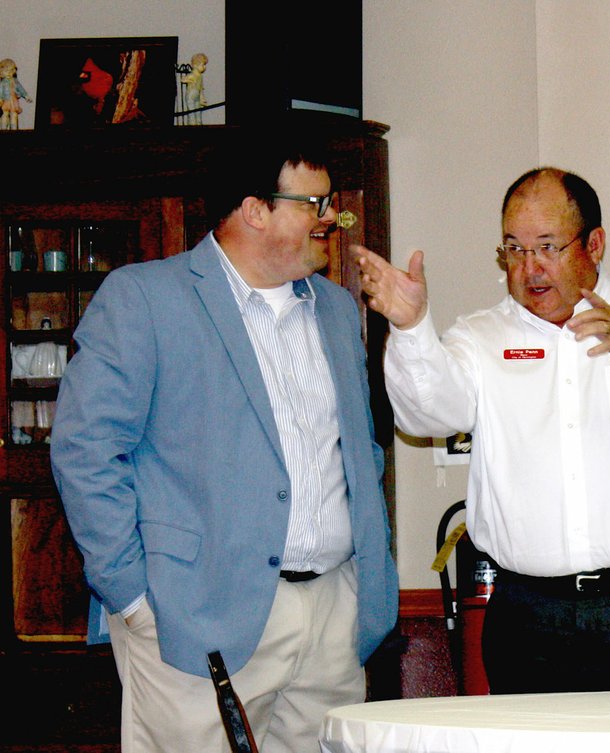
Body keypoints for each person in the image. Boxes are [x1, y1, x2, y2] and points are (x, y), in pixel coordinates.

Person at [50, 122, 399, 753]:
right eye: (313, 204)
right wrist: (133, 598)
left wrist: (360, 586)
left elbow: (358, 451)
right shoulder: (144, 299)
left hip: (331, 618)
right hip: (193, 617)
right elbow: (85, 453)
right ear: (255, 210)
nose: (332, 218)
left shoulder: (338, 310)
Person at [354, 166, 610, 693]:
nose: (530, 268)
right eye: (514, 249)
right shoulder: (481, 336)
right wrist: (410, 330)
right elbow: (426, 415)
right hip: (530, 614)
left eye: (547, 246)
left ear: (595, 243)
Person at [0, 58, 32, 130]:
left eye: (10, 71)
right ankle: (3, 128)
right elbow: (0, 91)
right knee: (4, 114)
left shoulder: (15, 81)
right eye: (6, 71)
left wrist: (26, 96)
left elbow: (21, 89)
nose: (8, 73)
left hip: (14, 101)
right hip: (6, 101)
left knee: (14, 115)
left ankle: (14, 129)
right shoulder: (2, 83)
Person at [180, 52, 208, 125]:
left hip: (197, 95)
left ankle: (198, 123)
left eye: (205, 65)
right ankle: (192, 124)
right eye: (203, 65)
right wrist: (190, 81)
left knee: (198, 111)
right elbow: (183, 79)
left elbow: (201, 89)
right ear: (195, 65)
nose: (204, 67)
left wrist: (202, 98)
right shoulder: (193, 74)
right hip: (191, 95)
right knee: (192, 112)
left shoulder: (200, 76)